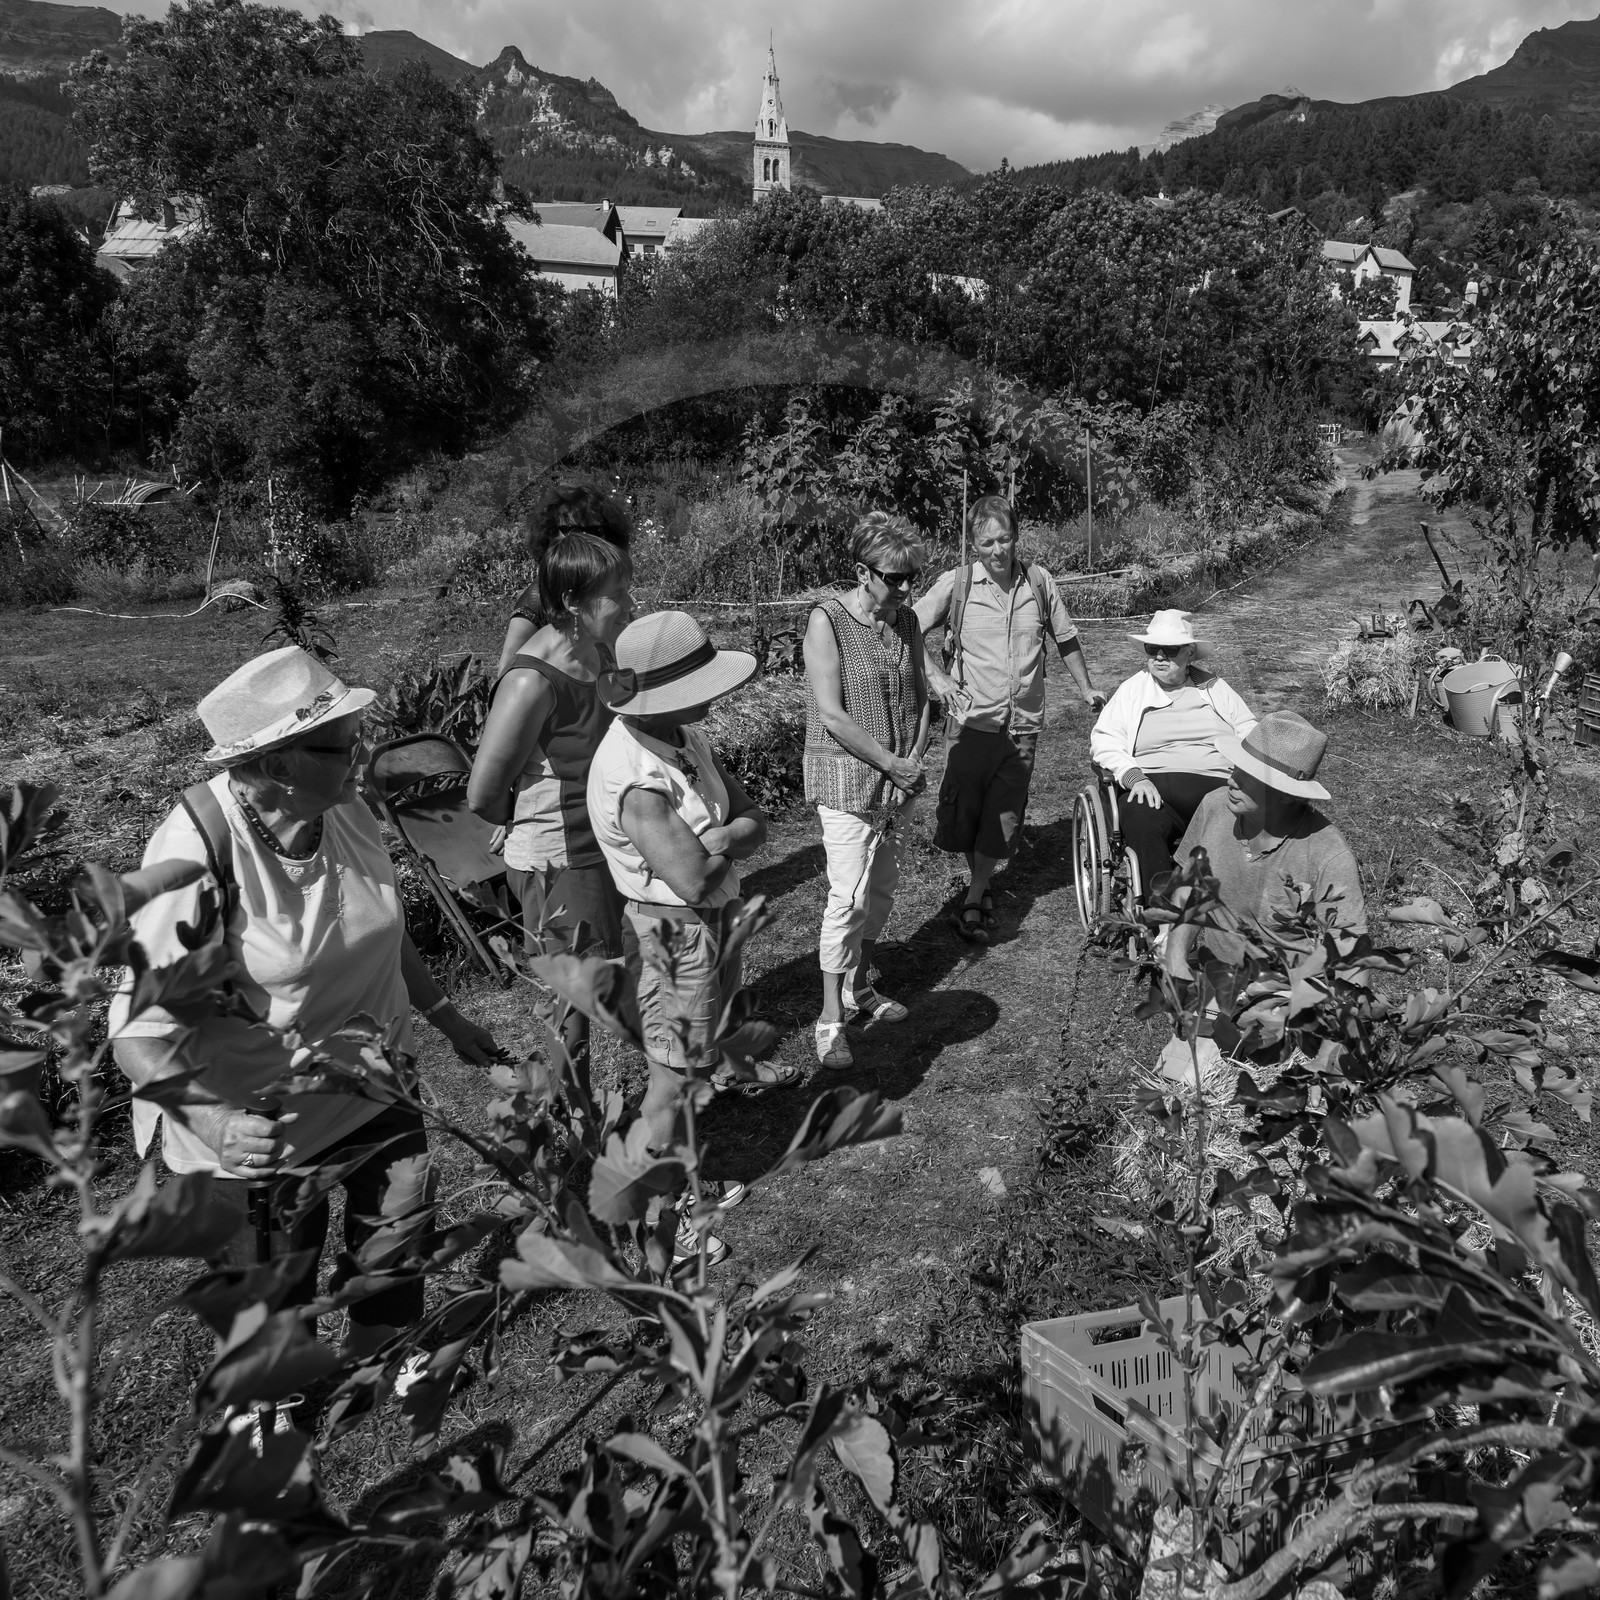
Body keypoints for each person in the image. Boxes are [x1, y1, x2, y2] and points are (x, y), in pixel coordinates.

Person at [110, 646, 499, 1356]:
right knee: (274, 1290)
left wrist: (446, 1017)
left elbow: (377, 925)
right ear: (278, 765)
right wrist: (217, 1121)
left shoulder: (340, 806)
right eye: (344, 745)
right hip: (261, 1129)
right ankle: (272, 1403)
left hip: (379, 1084)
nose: (363, 758)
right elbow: (136, 1036)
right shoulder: (193, 858)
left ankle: (382, 1351)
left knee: (396, 1236)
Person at [588, 611, 794, 1263]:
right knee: (670, 1081)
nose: (714, 695)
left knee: (686, 1065)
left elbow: (751, 824)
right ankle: (655, 1220)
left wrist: (724, 839)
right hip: (678, 935)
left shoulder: (677, 737)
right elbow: (693, 880)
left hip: (707, 925)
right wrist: (728, 843)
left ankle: (681, 1187)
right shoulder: (637, 777)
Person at [468, 524, 634, 1087]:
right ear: (570, 602)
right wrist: (516, 822)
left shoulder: (602, 649)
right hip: (561, 860)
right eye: (619, 593)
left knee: (639, 969)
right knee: (571, 1008)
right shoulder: (529, 682)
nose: (631, 604)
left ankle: (691, 1072)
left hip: (611, 844)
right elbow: (482, 793)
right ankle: (571, 1128)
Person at [917, 495, 1105, 945]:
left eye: (1004, 539)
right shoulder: (957, 585)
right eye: (986, 543)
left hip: (1022, 724)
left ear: (1016, 536)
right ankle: (978, 884)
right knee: (966, 813)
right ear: (972, 545)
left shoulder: (1039, 582)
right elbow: (905, 626)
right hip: (970, 722)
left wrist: (1085, 688)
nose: (997, 550)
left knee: (1003, 816)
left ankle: (975, 894)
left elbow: (1066, 638)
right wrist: (937, 676)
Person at [803, 511, 931, 1070]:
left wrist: (914, 761)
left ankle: (861, 985)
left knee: (880, 892)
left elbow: (922, 695)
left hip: (895, 778)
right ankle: (829, 1017)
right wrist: (891, 765)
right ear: (863, 572)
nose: (905, 588)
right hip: (847, 777)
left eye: (913, 579)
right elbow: (831, 714)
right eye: (894, 577)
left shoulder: (904, 622)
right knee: (847, 896)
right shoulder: (826, 620)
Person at [1169, 711, 1366, 969]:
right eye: (1237, 767)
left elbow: (1347, 948)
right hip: (1217, 974)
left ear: (1287, 794)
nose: (1231, 780)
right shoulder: (1215, 806)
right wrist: (1176, 958)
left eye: (1249, 776)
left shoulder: (1327, 854)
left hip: (1287, 991)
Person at [1089, 609, 1258, 893]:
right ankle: (1161, 915)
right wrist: (1134, 777)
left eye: (1169, 650)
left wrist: (1249, 771)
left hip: (1219, 790)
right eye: (1153, 648)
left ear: (1189, 653)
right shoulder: (1133, 689)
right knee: (1141, 817)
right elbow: (1105, 739)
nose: (1159, 656)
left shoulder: (1214, 687)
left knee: (1248, 818)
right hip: (1153, 790)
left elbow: (1249, 729)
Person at [496, 481, 633, 677]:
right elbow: (507, 669)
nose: (584, 539)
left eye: (596, 532)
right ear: (549, 534)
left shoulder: (609, 590)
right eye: (572, 530)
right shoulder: (536, 599)